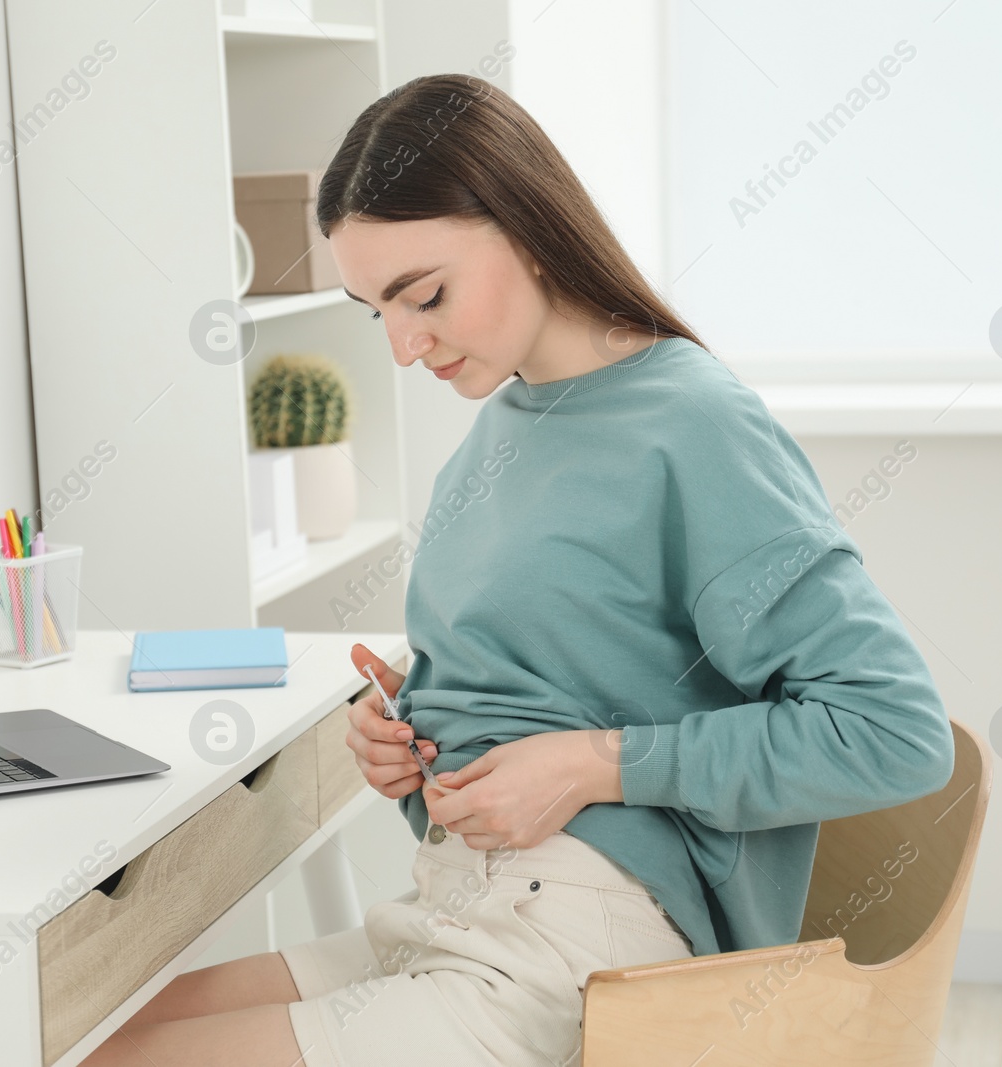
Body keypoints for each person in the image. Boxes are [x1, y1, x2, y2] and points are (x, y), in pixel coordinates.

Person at [82, 71, 955, 1067]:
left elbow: (893, 732)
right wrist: (420, 747)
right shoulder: (500, 430)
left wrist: (595, 761)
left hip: (580, 945)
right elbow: (549, 702)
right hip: (454, 903)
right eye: (378, 313)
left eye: (426, 295)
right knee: (93, 1033)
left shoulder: (694, 427)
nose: (405, 347)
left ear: (530, 228)